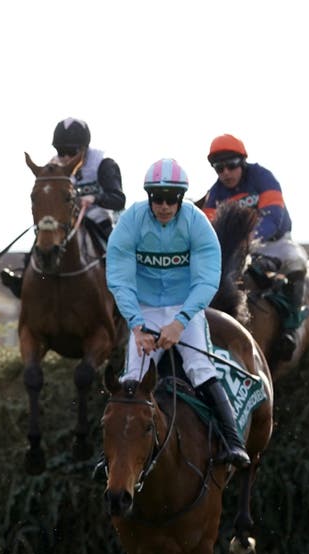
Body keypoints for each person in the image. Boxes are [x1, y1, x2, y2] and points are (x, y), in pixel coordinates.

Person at [106, 159, 249, 469]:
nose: (164, 206)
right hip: (145, 309)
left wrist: (181, 322)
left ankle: (233, 442)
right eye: (158, 198)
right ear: (149, 197)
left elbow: (206, 280)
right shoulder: (130, 222)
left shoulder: (197, 223)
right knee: (132, 379)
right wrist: (136, 325)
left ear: (181, 198)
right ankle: (108, 458)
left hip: (186, 306)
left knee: (199, 367)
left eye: (172, 199)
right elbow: (119, 279)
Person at [200, 134, 305, 360]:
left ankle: (290, 329)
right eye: (219, 168)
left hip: (273, 242)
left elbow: (273, 217)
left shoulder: (263, 177)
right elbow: (209, 232)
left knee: (297, 261)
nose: (225, 173)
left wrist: (248, 240)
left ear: (242, 161)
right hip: (236, 252)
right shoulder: (215, 194)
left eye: (231, 165)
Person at [1, 117, 126, 298]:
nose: (66, 157)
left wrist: (94, 198)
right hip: (66, 222)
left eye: (72, 151)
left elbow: (118, 199)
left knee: (118, 254)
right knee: (43, 237)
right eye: (61, 151)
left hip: (98, 221)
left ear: (84, 148)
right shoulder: (53, 167)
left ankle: (124, 291)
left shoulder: (104, 164)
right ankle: (24, 277)